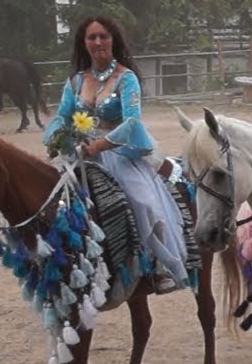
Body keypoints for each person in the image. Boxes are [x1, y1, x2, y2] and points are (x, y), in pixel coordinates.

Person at [43, 16, 190, 294]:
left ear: (113, 40)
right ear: (83, 43)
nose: (98, 42)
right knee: (51, 203)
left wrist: (101, 145)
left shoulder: (126, 78)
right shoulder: (75, 82)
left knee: (143, 202)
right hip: (79, 155)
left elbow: (132, 122)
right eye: (91, 37)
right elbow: (61, 117)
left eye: (104, 36)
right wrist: (55, 137)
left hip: (119, 155)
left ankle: (157, 266)